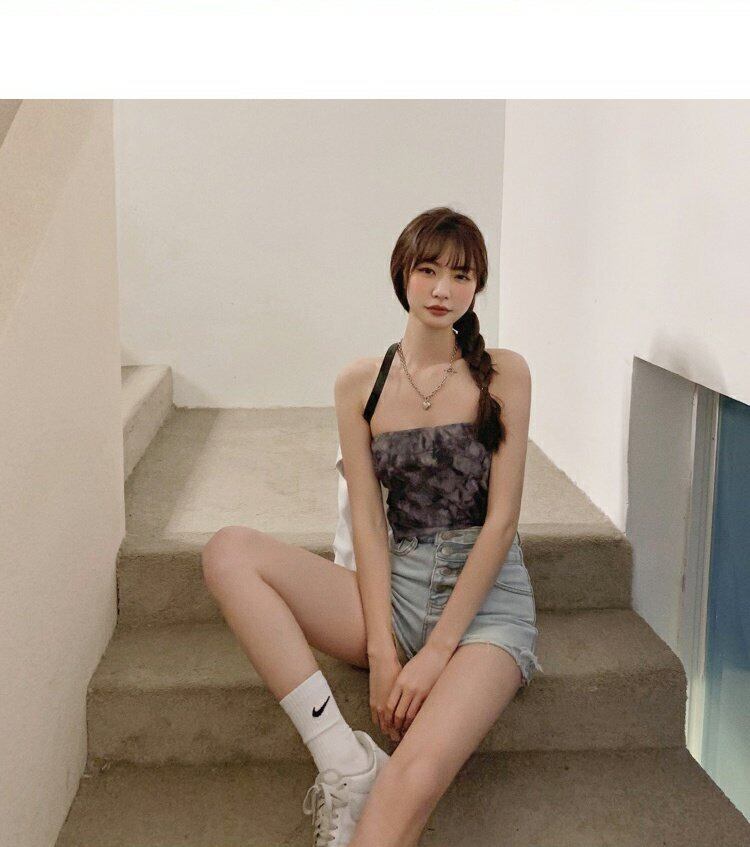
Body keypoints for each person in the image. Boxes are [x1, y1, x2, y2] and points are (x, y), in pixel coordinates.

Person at [200, 206, 541, 847]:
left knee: (409, 787)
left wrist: (436, 652)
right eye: (429, 270)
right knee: (229, 552)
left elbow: (500, 525)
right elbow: (368, 520)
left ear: (477, 288)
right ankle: (343, 758)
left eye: (461, 276)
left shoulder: (506, 373)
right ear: (402, 273)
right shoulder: (361, 384)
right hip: (394, 586)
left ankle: (376, 783)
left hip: (485, 608)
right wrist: (383, 652)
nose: (443, 289)